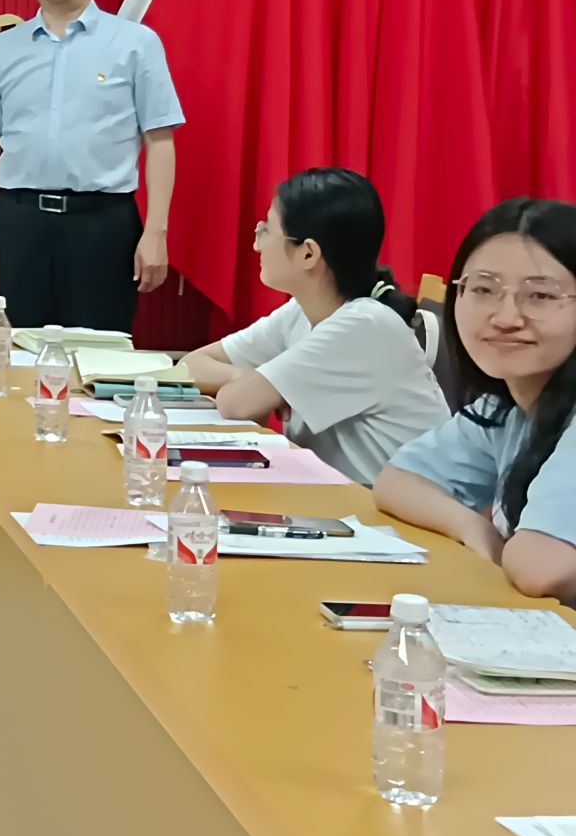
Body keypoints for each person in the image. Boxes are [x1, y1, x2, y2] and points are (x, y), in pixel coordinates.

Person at [0, 0, 183, 332]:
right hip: (19, 224)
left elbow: (160, 141)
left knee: (99, 353)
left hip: (103, 224)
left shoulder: (135, 44)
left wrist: (156, 232)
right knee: (19, 351)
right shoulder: (1, 50)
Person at [180, 168, 446, 484]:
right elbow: (190, 365)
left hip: (394, 510)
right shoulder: (302, 311)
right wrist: (243, 376)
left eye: (266, 230)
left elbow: (235, 404)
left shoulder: (364, 326)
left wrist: (253, 385)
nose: (256, 245)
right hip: (339, 495)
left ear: (308, 253)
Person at [375, 198, 576, 602]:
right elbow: (397, 481)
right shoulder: (507, 407)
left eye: (540, 295)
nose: (506, 317)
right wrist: (472, 526)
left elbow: (541, 568)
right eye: (484, 289)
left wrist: (510, 551)